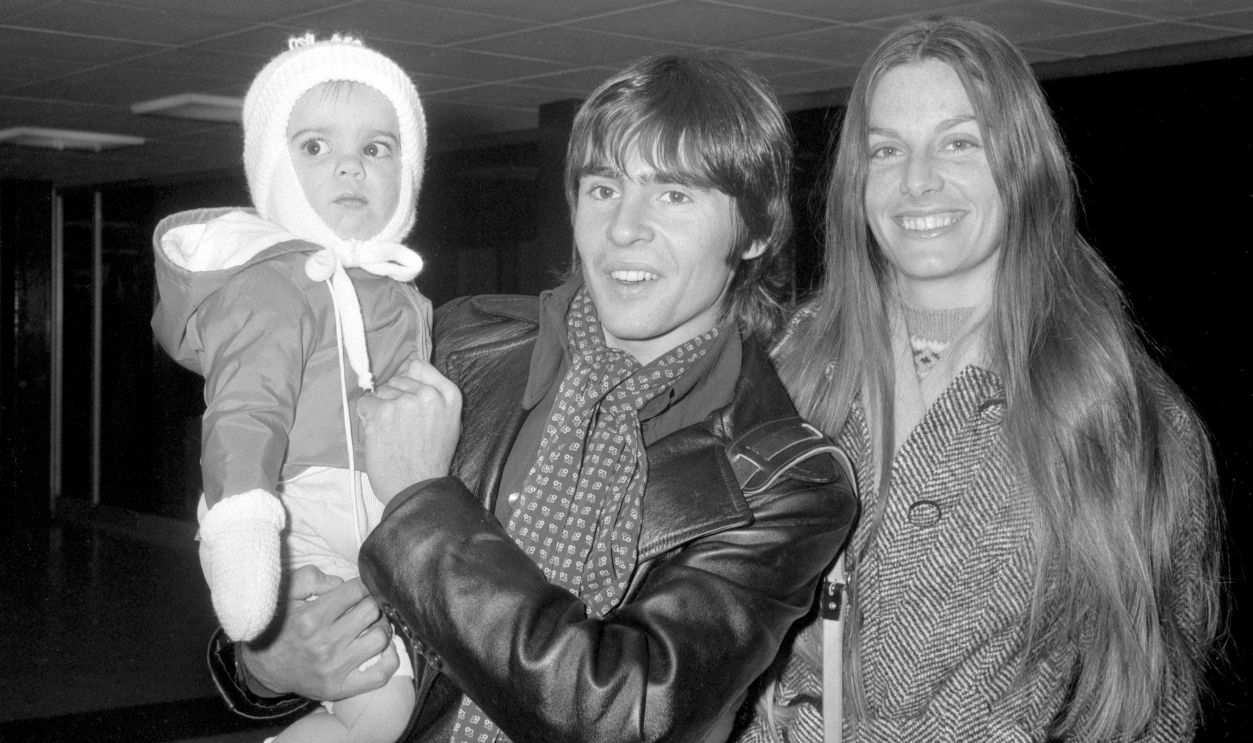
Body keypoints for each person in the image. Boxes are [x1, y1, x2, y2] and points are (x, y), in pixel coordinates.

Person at [204, 54, 859, 742]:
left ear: (754, 231)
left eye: (674, 194)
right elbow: (304, 527)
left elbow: (622, 715)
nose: (624, 228)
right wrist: (268, 660)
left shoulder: (783, 478)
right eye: (604, 187)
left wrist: (420, 499)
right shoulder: (452, 347)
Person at [739, 15, 1223, 743]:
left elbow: (1155, 703)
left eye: (958, 143)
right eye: (886, 149)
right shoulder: (785, 376)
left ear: (1022, 163)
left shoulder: (1122, 413)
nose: (917, 180)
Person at [151, 33, 431, 743]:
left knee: (384, 706)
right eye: (313, 146)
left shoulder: (403, 294)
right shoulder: (277, 286)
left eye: (377, 147)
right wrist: (244, 535)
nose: (349, 164)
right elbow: (245, 415)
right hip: (295, 507)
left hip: (372, 523)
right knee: (381, 702)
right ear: (273, 170)